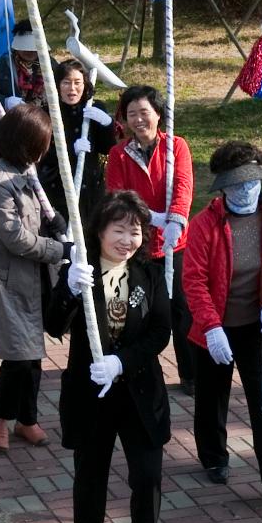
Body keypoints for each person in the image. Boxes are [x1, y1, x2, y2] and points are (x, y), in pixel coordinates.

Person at [45, 190, 171, 523]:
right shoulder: (80, 271)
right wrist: (69, 290)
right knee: (90, 480)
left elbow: (160, 332)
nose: (127, 240)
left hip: (140, 392)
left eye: (135, 231)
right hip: (91, 395)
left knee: (148, 477)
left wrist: (122, 362)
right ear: (99, 231)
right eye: (119, 230)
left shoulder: (150, 274)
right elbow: (54, 324)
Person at [183, 141, 262, 497]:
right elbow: (194, 279)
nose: (247, 190)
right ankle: (214, 457)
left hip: (255, 324)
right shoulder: (204, 224)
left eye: (252, 182)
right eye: (238, 184)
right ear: (224, 187)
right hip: (215, 326)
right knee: (211, 395)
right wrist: (211, 326)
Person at [0, 103, 71, 452]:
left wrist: (55, 224)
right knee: (19, 356)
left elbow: (35, 219)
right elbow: (15, 238)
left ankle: (27, 418)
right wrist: (59, 250)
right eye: (41, 142)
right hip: (6, 280)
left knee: (33, 354)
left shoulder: (26, 173)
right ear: (24, 142)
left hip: (35, 278)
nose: (45, 149)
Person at [105, 84, 196, 393]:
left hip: (175, 243)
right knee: (138, 308)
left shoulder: (177, 147)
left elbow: (183, 185)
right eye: (132, 114)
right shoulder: (118, 154)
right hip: (137, 244)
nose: (139, 120)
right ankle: (136, 366)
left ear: (158, 114)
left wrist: (176, 219)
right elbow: (118, 195)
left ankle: (190, 373)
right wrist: (152, 218)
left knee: (182, 311)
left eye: (145, 112)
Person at [38, 59, 117, 227]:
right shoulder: (47, 114)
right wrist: (69, 151)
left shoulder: (94, 108)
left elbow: (107, 148)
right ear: (57, 85)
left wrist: (107, 124)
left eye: (77, 82)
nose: (72, 89)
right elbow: (42, 154)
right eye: (66, 83)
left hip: (91, 189)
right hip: (59, 190)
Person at [0, 19, 58, 113]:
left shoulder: (50, 64)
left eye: (34, 48)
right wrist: (5, 101)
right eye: (25, 47)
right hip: (11, 120)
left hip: (44, 119)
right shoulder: (3, 65)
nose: (30, 51)